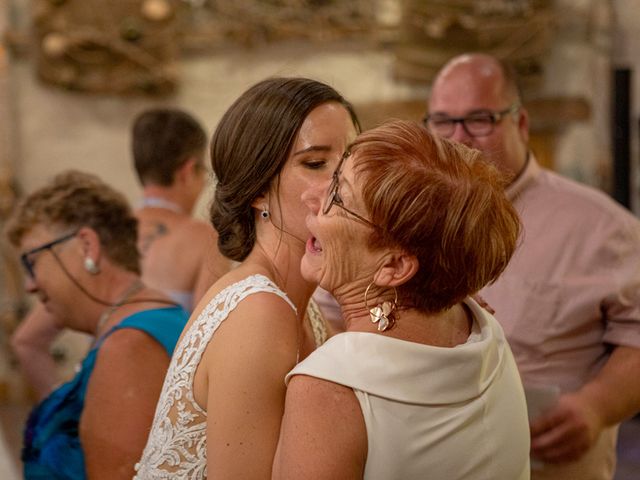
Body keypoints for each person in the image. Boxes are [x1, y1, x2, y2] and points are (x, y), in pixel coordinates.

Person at [272, 120, 530, 480]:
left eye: (338, 197)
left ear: (393, 265)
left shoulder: (330, 388)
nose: (310, 198)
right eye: (331, 177)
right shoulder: (483, 330)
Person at [426, 52, 640, 479]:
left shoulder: (602, 227)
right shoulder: (408, 218)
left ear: (521, 124)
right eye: (443, 122)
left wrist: (596, 406)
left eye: (480, 119)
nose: (459, 138)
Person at [134, 77, 360, 479]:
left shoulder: (301, 307)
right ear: (257, 188)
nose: (343, 184)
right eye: (315, 163)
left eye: (351, 162)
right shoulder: (259, 313)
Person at [11, 107, 230, 400]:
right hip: (158, 409)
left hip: (99, 397)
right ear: (188, 170)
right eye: (204, 172)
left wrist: (64, 412)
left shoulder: (104, 235)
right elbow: (206, 347)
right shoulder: (205, 240)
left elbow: (27, 341)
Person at [4, 170, 190, 479]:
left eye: (32, 263)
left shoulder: (129, 347)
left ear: (88, 247)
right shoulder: (136, 325)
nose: (29, 286)